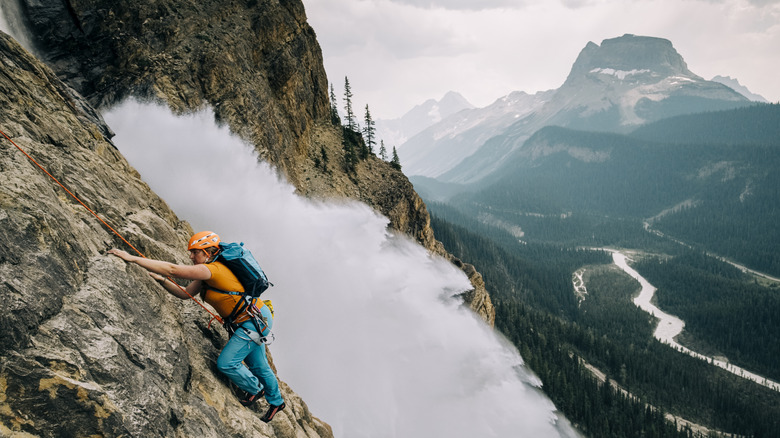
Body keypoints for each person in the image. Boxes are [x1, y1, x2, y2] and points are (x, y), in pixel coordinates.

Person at [108, 231, 286, 422]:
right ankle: (276, 402)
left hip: (252, 320)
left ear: (208, 252)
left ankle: (256, 389)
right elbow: (185, 294)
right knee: (258, 364)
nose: (191, 256)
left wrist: (131, 258)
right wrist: (162, 281)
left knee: (226, 363)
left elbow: (172, 269)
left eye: (195, 252)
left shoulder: (210, 270)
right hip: (252, 318)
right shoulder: (207, 273)